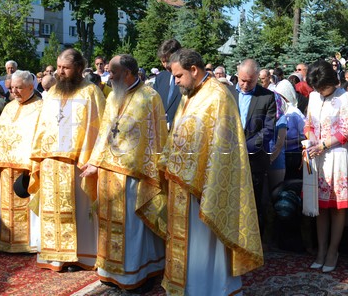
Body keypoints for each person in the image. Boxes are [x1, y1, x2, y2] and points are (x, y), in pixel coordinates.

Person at [159, 49, 263, 295]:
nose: (175, 81)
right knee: (188, 244)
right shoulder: (190, 95)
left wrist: (202, 180)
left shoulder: (218, 97)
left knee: (205, 244)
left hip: (205, 187)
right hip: (182, 184)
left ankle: (211, 289)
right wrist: (166, 162)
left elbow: (223, 148)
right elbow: (178, 135)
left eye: (178, 76)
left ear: (194, 70)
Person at [80, 54, 166, 290]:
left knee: (133, 226)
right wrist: (94, 162)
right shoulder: (113, 97)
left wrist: (151, 170)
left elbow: (157, 137)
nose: (109, 76)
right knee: (110, 225)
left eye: (113, 72)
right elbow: (105, 133)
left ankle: (137, 273)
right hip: (108, 172)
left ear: (127, 73)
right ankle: (110, 270)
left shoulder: (150, 97)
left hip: (134, 175)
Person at [29, 49, 106, 271]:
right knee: (52, 211)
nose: (60, 72)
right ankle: (56, 256)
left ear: (79, 68)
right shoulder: (52, 92)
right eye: (58, 67)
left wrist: (91, 160)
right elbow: (42, 127)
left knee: (79, 212)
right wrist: (38, 156)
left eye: (65, 68)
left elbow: (99, 129)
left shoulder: (91, 92)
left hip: (77, 163)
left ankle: (80, 256)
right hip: (50, 162)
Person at [0, 70, 42, 253]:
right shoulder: (8, 108)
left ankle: (30, 243)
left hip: (27, 168)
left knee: (26, 204)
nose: (14, 91)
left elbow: (40, 138)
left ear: (30, 87)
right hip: (6, 167)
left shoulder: (41, 107)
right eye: (12, 88)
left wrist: (32, 163)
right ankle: (6, 243)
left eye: (19, 88)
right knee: (7, 206)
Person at [303, 59, 348, 273]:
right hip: (317, 156)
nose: (319, 91)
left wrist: (322, 145)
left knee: (336, 208)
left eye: (322, 87)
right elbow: (308, 124)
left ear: (332, 82)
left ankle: (333, 250)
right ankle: (321, 249)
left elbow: (345, 131)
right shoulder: (313, 97)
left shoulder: (345, 97)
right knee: (320, 207)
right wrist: (311, 139)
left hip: (336, 155)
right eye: (316, 88)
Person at [229, 58, 277, 234]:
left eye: (250, 81)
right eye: (242, 80)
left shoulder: (267, 97)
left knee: (254, 204)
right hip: (228, 158)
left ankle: (254, 240)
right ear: (237, 74)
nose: (245, 85)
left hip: (254, 160)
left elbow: (268, 129)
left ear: (258, 77)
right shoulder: (227, 93)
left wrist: (244, 147)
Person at [153, 39, 182, 129]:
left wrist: (171, 124)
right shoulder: (160, 78)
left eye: (168, 61)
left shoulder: (187, 79)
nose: (166, 65)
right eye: (163, 61)